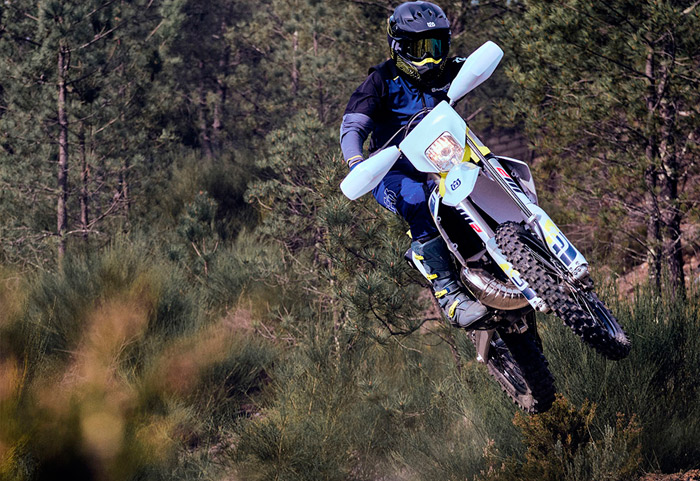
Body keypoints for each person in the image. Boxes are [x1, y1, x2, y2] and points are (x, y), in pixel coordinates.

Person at [339, 1, 488, 328]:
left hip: (446, 157)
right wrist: (355, 161)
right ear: (399, 47)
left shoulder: (448, 68)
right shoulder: (380, 81)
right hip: (393, 170)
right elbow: (352, 128)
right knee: (419, 200)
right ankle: (450, 296)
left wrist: (484, 60)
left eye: (436, 47)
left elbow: (476, 64)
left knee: (490, 171)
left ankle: (526, 246)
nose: (430, 58)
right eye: (420, 49)